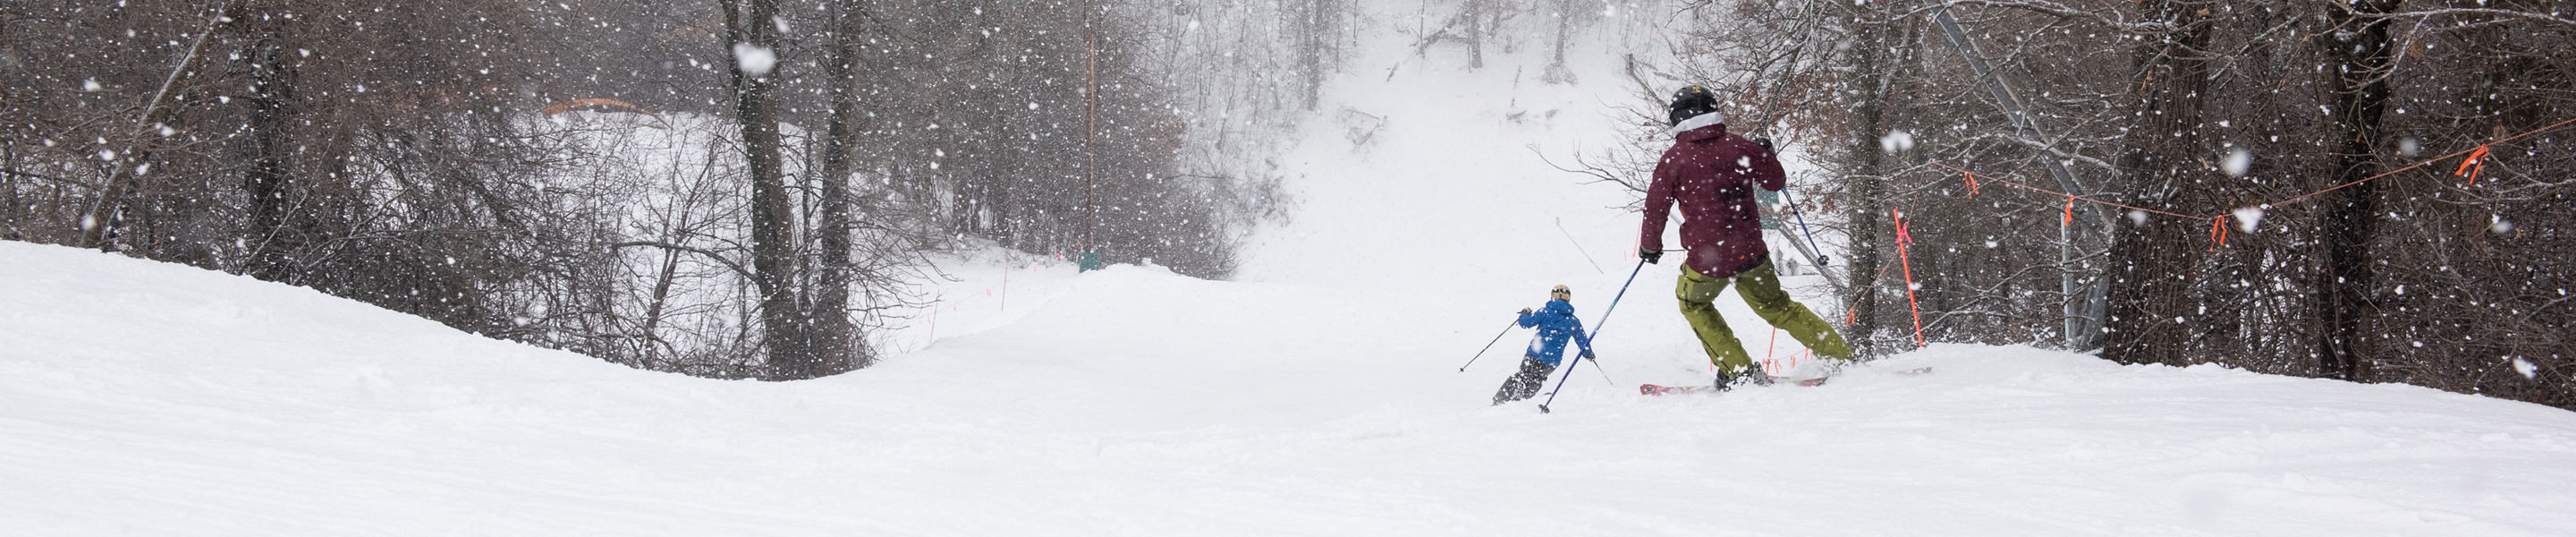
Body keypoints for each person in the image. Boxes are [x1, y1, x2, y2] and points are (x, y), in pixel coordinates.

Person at [1637, 86, 1853, 390]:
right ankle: (1841, 357)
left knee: (1693, 304)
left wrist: (1650, 246)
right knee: (1779, 307)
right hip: (1751, 252)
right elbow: (1776, 182)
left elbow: (1655, 208)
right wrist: (1765, 154)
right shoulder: (1739, 147)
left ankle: (1737, 370)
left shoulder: (1674, 159)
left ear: (1678, 118)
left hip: (1708, 260)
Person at [1493, 285, 1595, 405]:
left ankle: (1501, 399)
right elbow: (1583, 341)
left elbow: (1526, 323)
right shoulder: (1573, 321)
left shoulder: (1545, 312)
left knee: (1522, 376)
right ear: (1568, 298)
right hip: (1552, 361)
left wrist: (1523, 315)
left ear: (1553, 297)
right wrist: (1588, 354)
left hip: (1535, 353)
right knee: (1537, 379)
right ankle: (1523, 401)